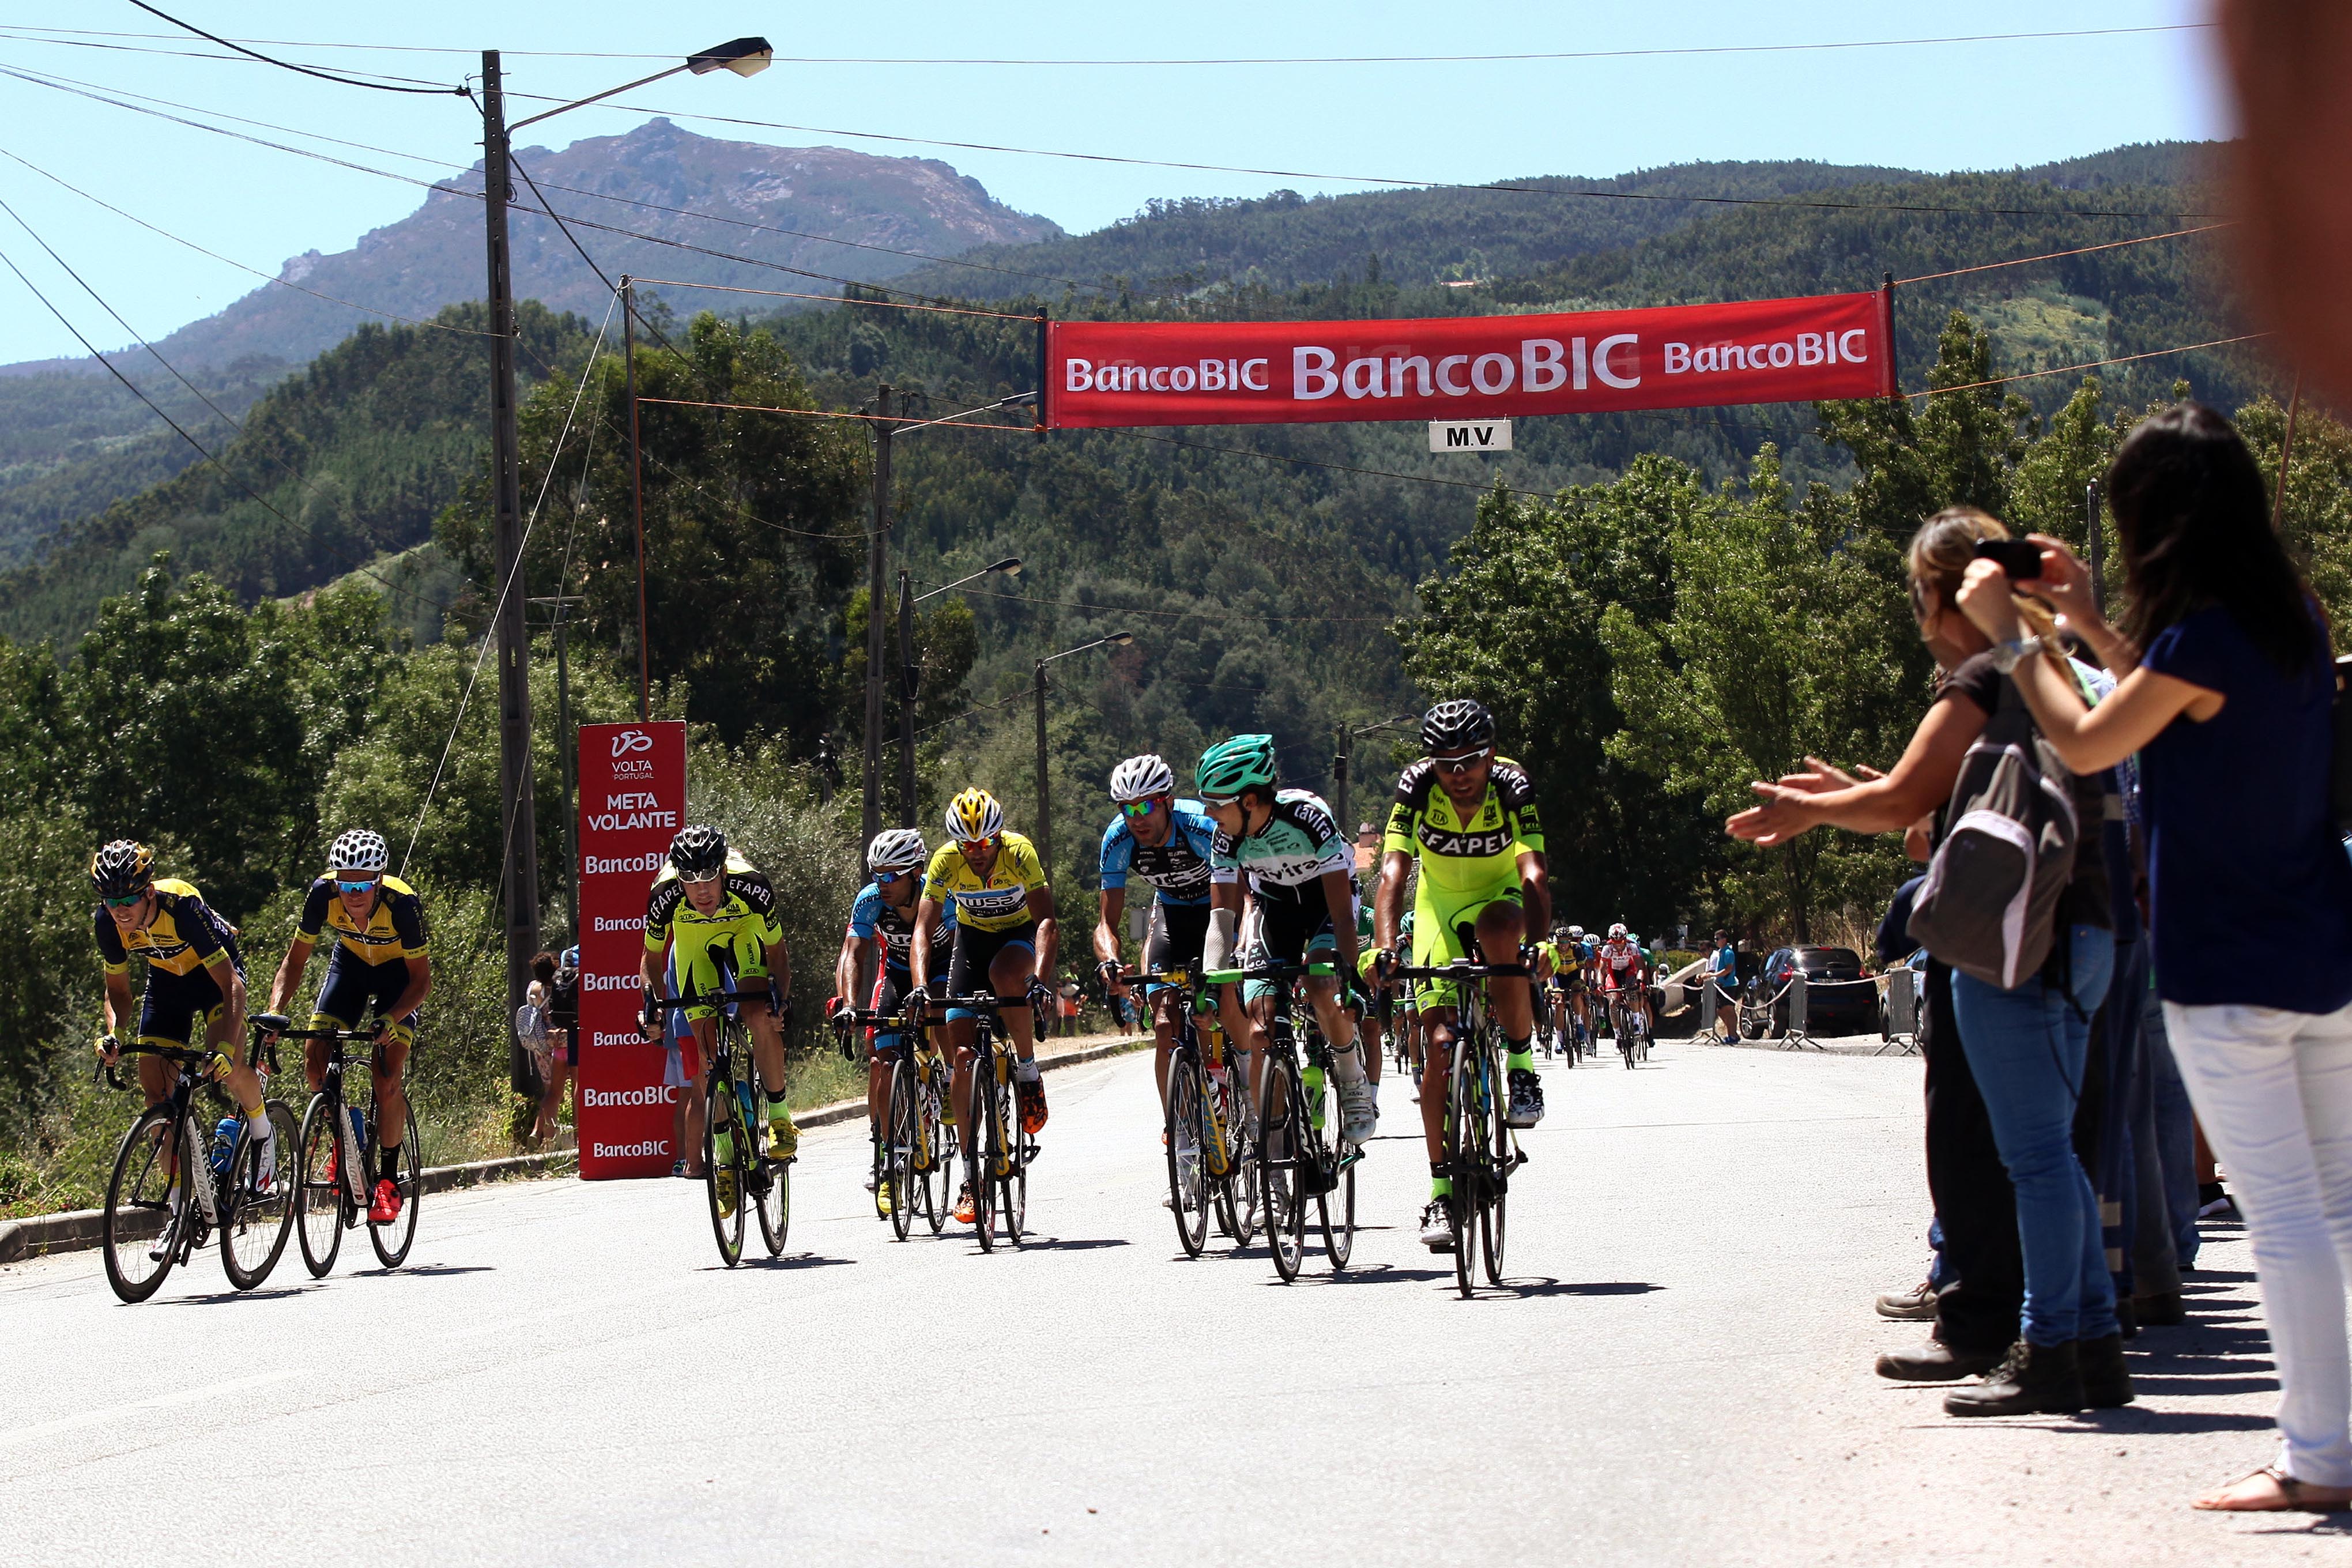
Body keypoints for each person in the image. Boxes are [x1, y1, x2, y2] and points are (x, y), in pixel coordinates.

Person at [1947, 404, 2352, 1512]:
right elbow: (2174, 706)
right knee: (2339, 1208)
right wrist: (2083, 621)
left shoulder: (2200, 638)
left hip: (2227, 964)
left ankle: (2321, 1459)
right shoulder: (2291, 621)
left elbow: (2088, 739)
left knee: (2285, 1217)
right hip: (2323, 948)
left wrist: (2017, 638)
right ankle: (2336, 1444)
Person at [1728, 506, 2125, 1419]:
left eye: (1916, 596)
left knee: (2033, 1158)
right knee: (2056, 1151)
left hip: (2016, 938)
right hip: (2085, 929)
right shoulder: (2060, 665)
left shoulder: (1989, 672)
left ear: (1941, 599)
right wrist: (1855, 796)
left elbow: (1905, 797)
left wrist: (1815, 809)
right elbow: (1919, 797)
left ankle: (2051, 1347)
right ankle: (2093, 1341)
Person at [1370, 699, 1552, 1252]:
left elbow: (1533, 870)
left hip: (1499, 897)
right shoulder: (1417, 787)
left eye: (1470, 761)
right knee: (1439, 1048)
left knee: (1501, 935)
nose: (1458, 774)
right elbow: (1393, 871)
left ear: (1490, 755)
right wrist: (1384, 948)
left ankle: (1520, 1066)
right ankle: (1442, 1192)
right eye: (1446, 764)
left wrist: (1540, 941)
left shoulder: (1513, 784)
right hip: (1438, 908)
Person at [1193, 734, 1375, 1148]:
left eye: (1216, 803)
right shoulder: (1226, 836)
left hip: (1325, 905)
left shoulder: (1309, 818)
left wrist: (1351, 980)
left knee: (1320, 983)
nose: (1208, 813)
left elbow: (1342, 916)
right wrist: (1210, 984)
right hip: (1275, 910)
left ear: (1249, 801)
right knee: (1261, 1029)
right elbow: (1221, 920)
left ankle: (1351, 1075)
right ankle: (1272, 1161)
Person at [266, 828, 431, 1226]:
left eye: (362, 885)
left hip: (398, 979)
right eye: (346, 884)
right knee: (314, 1061)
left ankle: (388, 1182)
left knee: (386, 1074)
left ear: (379, 880)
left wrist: (391, 1019)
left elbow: (421, 982)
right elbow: (295, 961)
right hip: (351, 968)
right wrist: (275, 1011)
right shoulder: (322, 893)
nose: (353, 894)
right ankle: (346, 1136)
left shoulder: (403, 904)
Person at [89, 841, 271, 1201]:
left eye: (129, 900)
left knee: (227, 1066)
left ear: (149, 893)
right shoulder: (107, 923)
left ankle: (262, 1132)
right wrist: (115, 1033)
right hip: (167, 984)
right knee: (155, 1097)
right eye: (111, 902)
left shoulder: (182, 907)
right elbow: (118, 992)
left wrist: (223, 1047)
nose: (120, 911)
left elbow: (231, 985)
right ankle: (177, 1209)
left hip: (215, 980)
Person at [909, 788, 1056, 1227]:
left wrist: (1040, 980)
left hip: (1018, 938)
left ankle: (1026, 1071)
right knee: (961, 1057)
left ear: (999, 837)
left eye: (985, 842)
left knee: (1006, 975)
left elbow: (1047, 921)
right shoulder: (945, 862)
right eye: (967, 844)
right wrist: (920, 987)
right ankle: (971, 1175)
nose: (976, 852)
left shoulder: (1020, 852)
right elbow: (923, 929)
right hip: (971, 944)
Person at [636, 824, 796, 1220]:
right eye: (691, 880)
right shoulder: (664, 894)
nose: (701, 890)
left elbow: (777, 952)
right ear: (679, 877)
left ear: (723, 871)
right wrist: (653, 1005)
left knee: (757, 1014)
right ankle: (724, 1160)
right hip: (693, 946)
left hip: (743, 932)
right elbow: (651, 958)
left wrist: (780, 1000)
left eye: (709, 877)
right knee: (707, 1057)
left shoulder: (752, 885)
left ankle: (779, 1117)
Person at [1092, 753, 1222, 1111]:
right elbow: (1106, 923)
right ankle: (1176, 1125)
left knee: (1224, 1003)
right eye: (1127, 809)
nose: (1137, 818)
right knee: (1164, 1022)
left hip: (1217, 911)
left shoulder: (1200, 826)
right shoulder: (1118, 839)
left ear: (1168, 801)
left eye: (1146, 806)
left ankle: (1243, 1086)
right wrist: (1110, 961)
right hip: (1170, 911)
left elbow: (1234, 895)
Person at [831, 827, 949, 1216]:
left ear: (916, 872)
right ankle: (885, 1154)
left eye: (891, 875)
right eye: (876, 874)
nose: (882, 883)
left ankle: (948, 1078)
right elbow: (853, 954)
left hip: (942, 969)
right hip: (897, 973)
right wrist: (849, 1005)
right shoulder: (870, 901)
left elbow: (967, 943)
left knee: (941, 1012)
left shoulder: (940, 895)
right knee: (882, 1063)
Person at [519, 951, 574, 1148]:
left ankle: (542, 1135)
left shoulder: (532, 989)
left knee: (550, 1092)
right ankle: (551, 1136)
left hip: (539, 1046)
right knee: (562, 1091)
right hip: (560, 1042)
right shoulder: (557, 988)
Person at [1596, 924, 1645, 1041]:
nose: (1618, 945)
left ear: (1625, 939)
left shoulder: (1632, 946)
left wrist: (1639, 980)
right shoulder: (1607, 949)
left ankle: (1636, 1023)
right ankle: (1618, 1035)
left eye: (1621, 941)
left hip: (1629, 970)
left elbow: (1640, 968)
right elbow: (1601, 971)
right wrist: (1600, 984)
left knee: (1632, 992)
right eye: (1615, 942)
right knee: (1613, 1003)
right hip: (1613, 973)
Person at [1705, 932, 1739, 1042]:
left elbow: (1728, 969)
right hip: (1721, 986)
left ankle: (1733, 1035)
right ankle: (1732, 1033)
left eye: (1717, 939)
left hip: (1728, 985)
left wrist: (1714, 975)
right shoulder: (1721, 952)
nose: (1716, 942)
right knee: (1721, 1011)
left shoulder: (1728, 952)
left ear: (1724, 939)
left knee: (1729, 1010)